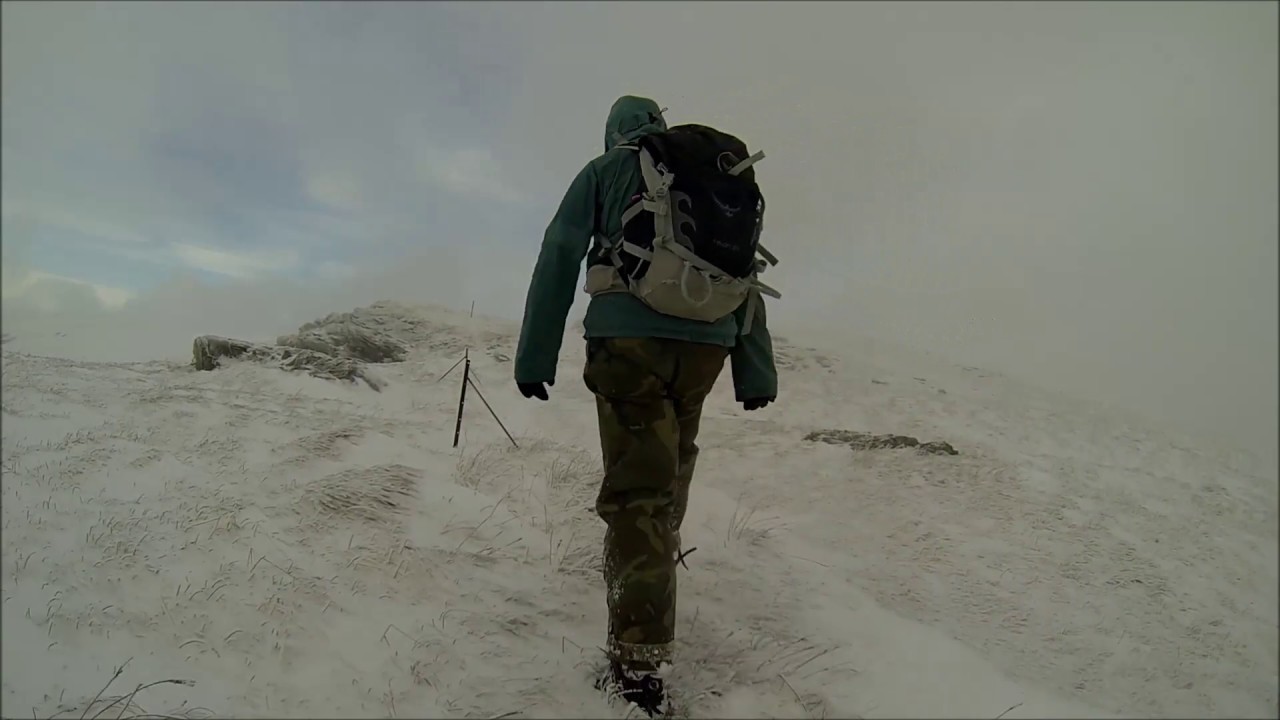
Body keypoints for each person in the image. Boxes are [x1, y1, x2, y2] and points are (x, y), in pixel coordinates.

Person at [513, 94, 778, 717]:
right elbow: (741, 268)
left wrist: (534, 357)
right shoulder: (711, 171)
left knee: (637, 497)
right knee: (670, 467)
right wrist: (755, 369)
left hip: (629, 342)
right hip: (709, 344)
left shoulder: (606, 172)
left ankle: (638, 663)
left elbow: (559, 253)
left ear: (614, 133)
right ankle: (648, 572)